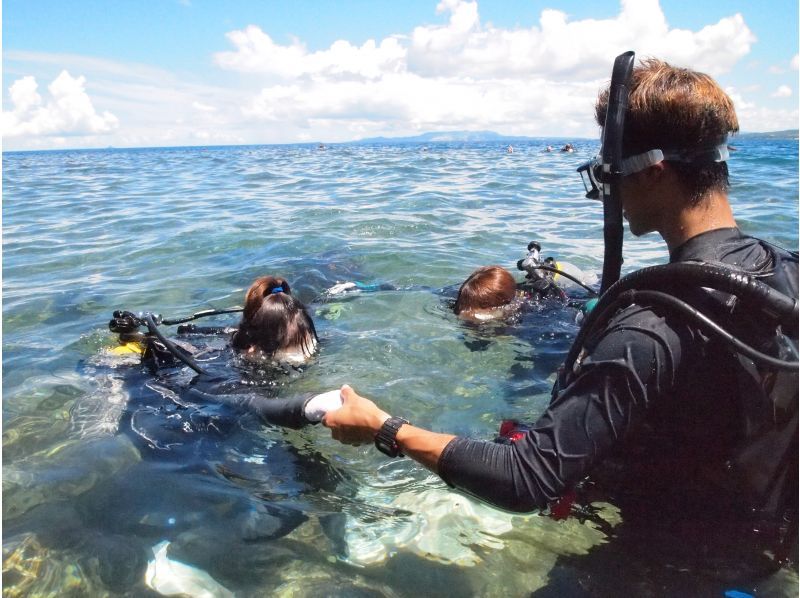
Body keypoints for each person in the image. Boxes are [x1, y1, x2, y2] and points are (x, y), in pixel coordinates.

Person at [322, 57, 798, 590]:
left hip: (660, 571)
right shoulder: (785, 275)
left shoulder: (652, 328)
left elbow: (527, 478)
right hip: (761, 557)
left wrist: (386, 429)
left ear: (652, 172)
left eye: (607, 171)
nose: (606, 190)